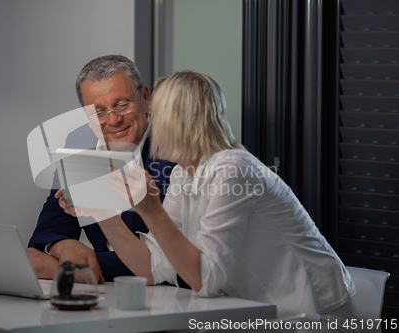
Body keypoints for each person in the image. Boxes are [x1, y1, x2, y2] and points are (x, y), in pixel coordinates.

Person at [60, 71, 358, 331]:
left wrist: (150, 210)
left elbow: (206, 279)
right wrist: (100, 211)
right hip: (259, 316)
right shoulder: (183, 175)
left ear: (179, 121)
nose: (151, 120)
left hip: (312, 320)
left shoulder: (232, 169)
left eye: (157, 113)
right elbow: (149, 269)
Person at [26, 55, 175, 282]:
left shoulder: (176, 153)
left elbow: (165, 261)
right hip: (106, 296)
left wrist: (65, 269)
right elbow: (50, 229)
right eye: (98, 112)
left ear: (146, 97)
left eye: (122, 104)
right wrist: (63, 246)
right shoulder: (79, 148)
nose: (113, 120)